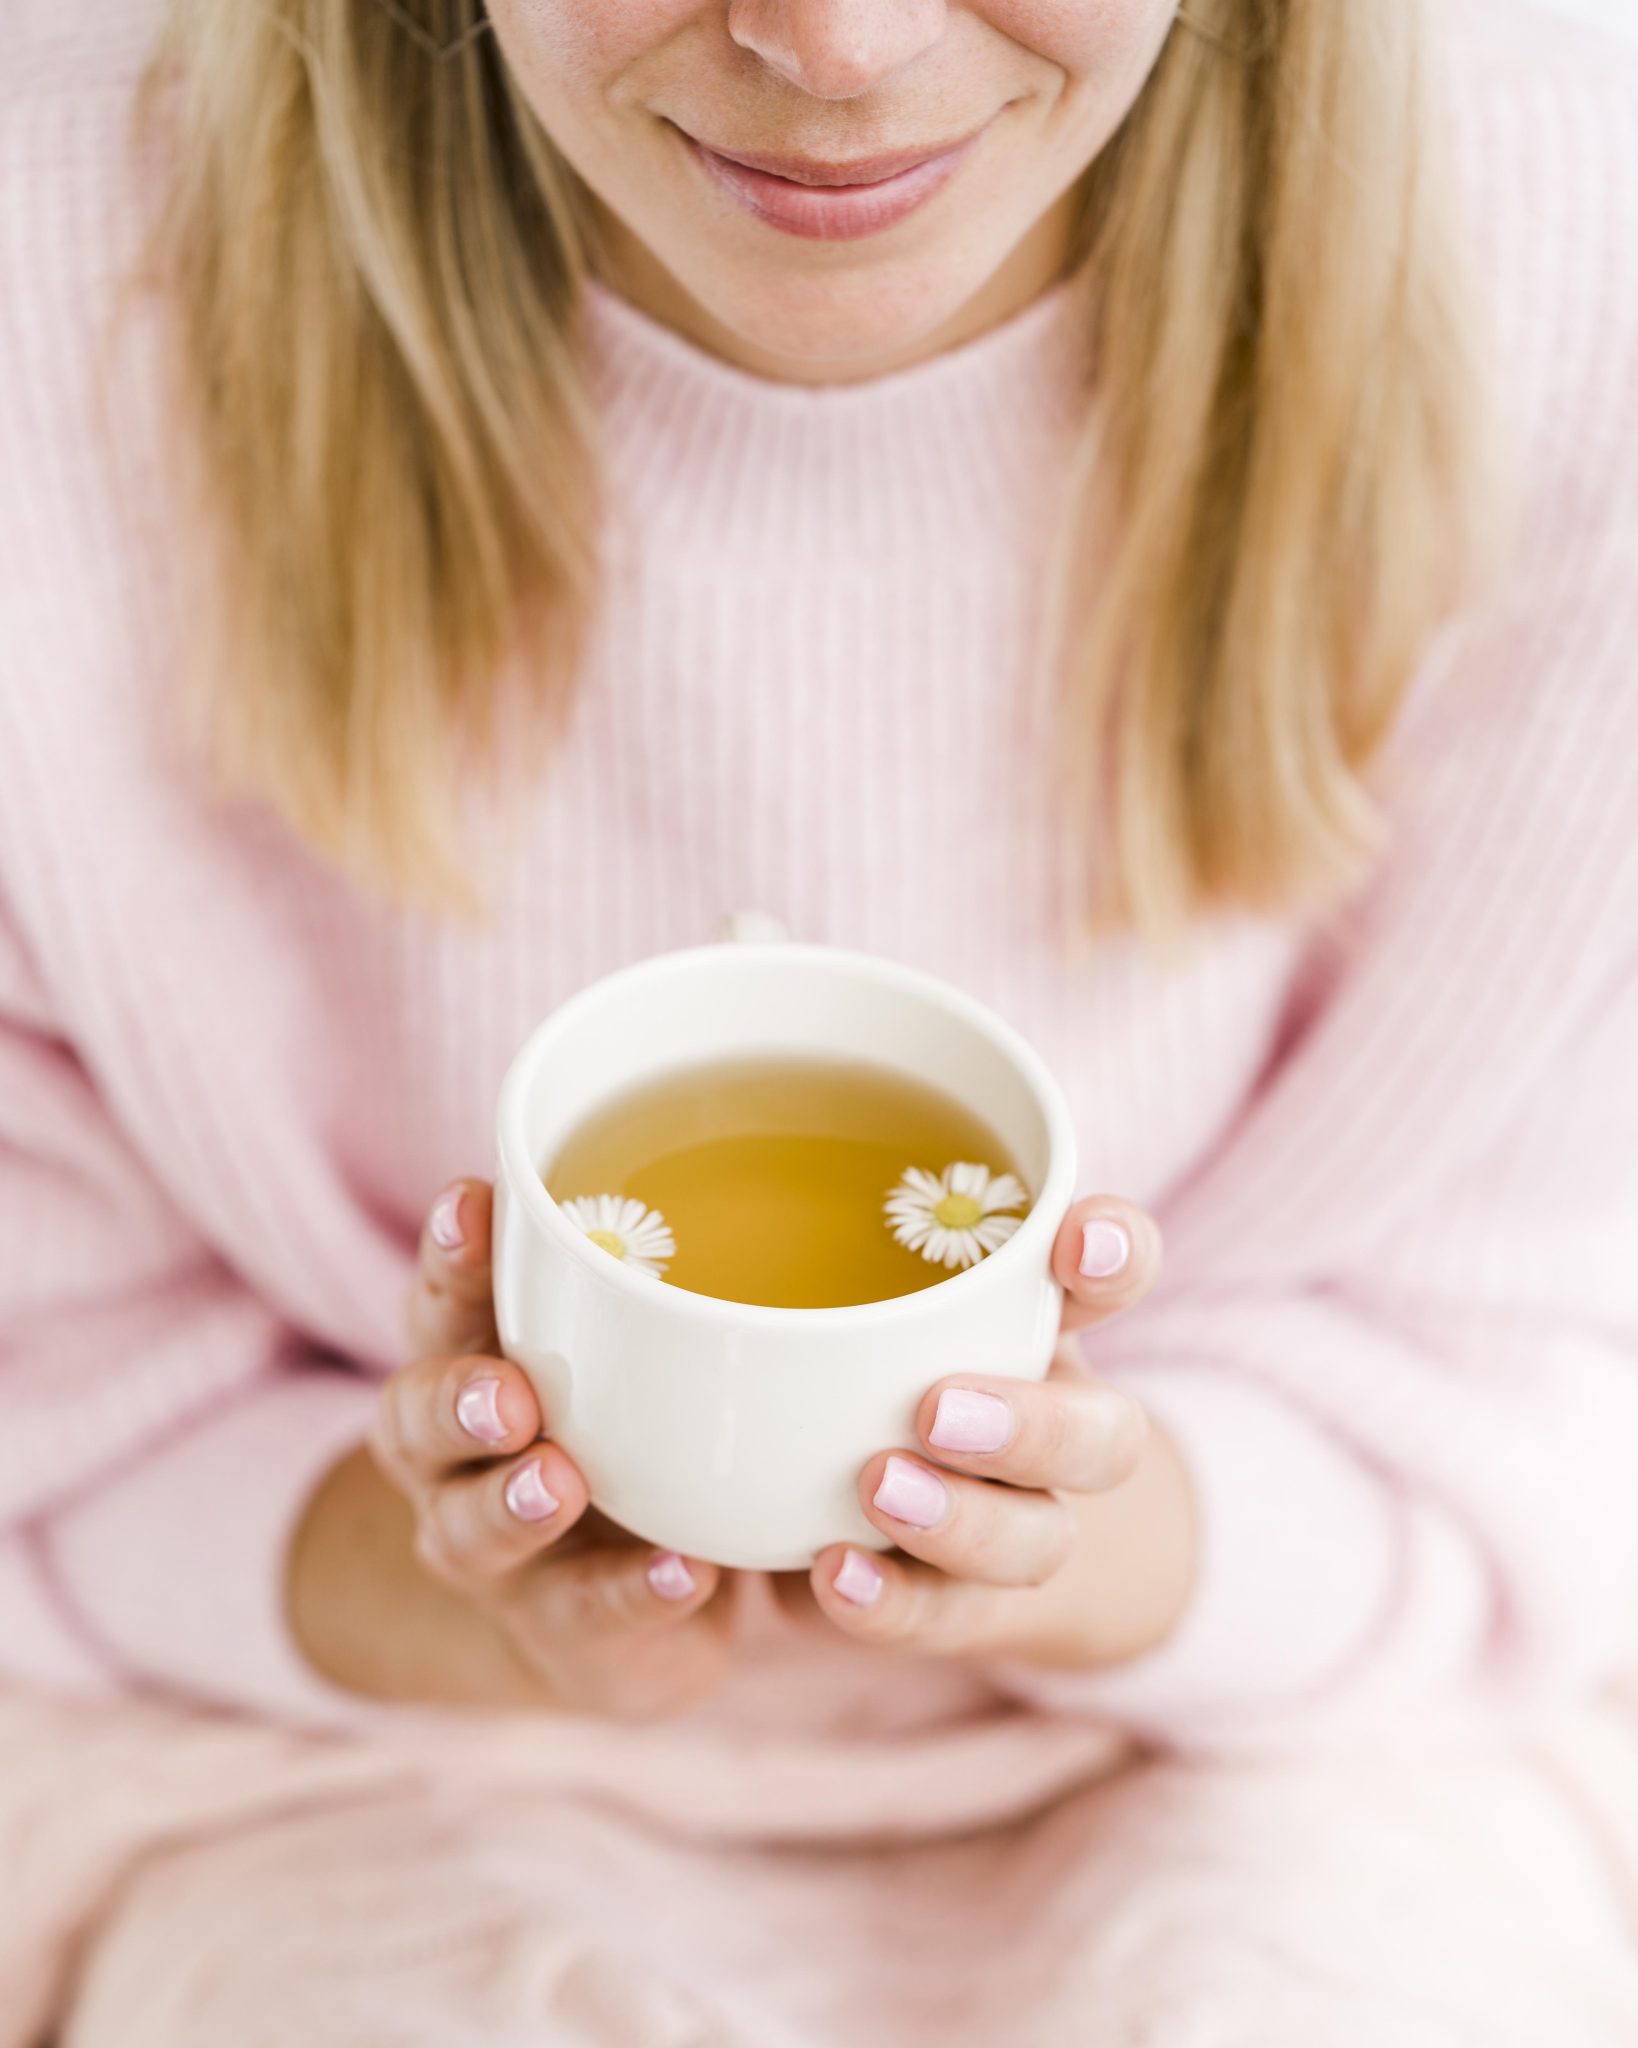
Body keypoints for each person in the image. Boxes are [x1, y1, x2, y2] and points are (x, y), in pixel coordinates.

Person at [2, 0, 1637, 2040]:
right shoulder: (53, 301)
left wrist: (1084, 1543)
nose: (842, 51)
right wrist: (484, 1598)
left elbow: (1549, 1427)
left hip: (1301, 1725)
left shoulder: (1565, 275)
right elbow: (43, 1436)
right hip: (307, 1741)